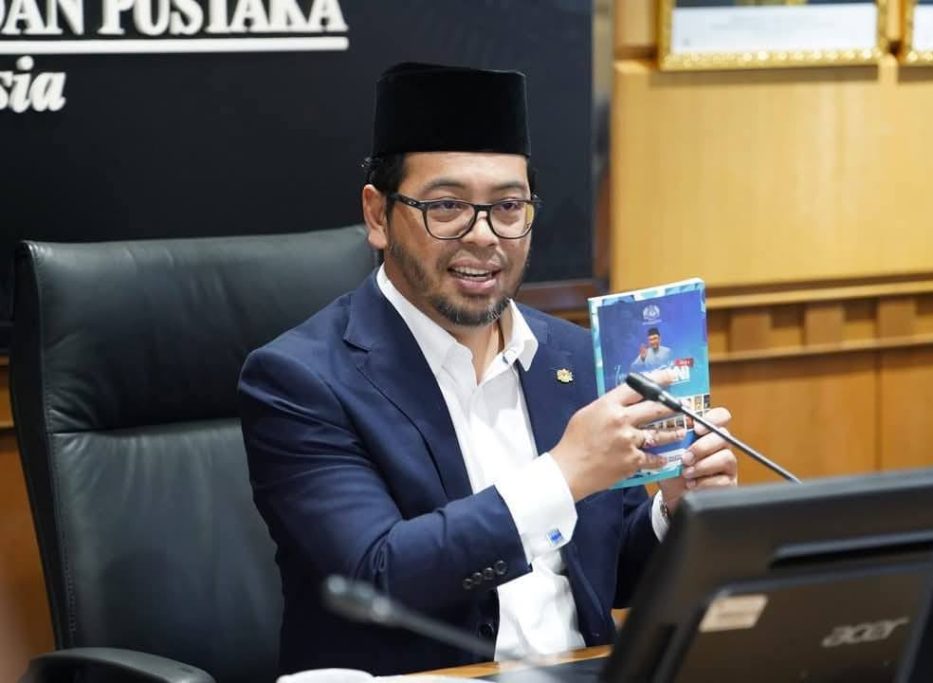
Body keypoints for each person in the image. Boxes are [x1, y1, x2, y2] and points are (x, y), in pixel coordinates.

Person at [238, 62, 737, 677]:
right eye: (447, 206)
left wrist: (674, 511)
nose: (483, 236)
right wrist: (564, 473)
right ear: (378, 216)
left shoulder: (574, 356)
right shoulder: (299, 380)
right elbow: (378, 574)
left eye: (508, 206)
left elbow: (611, 572)